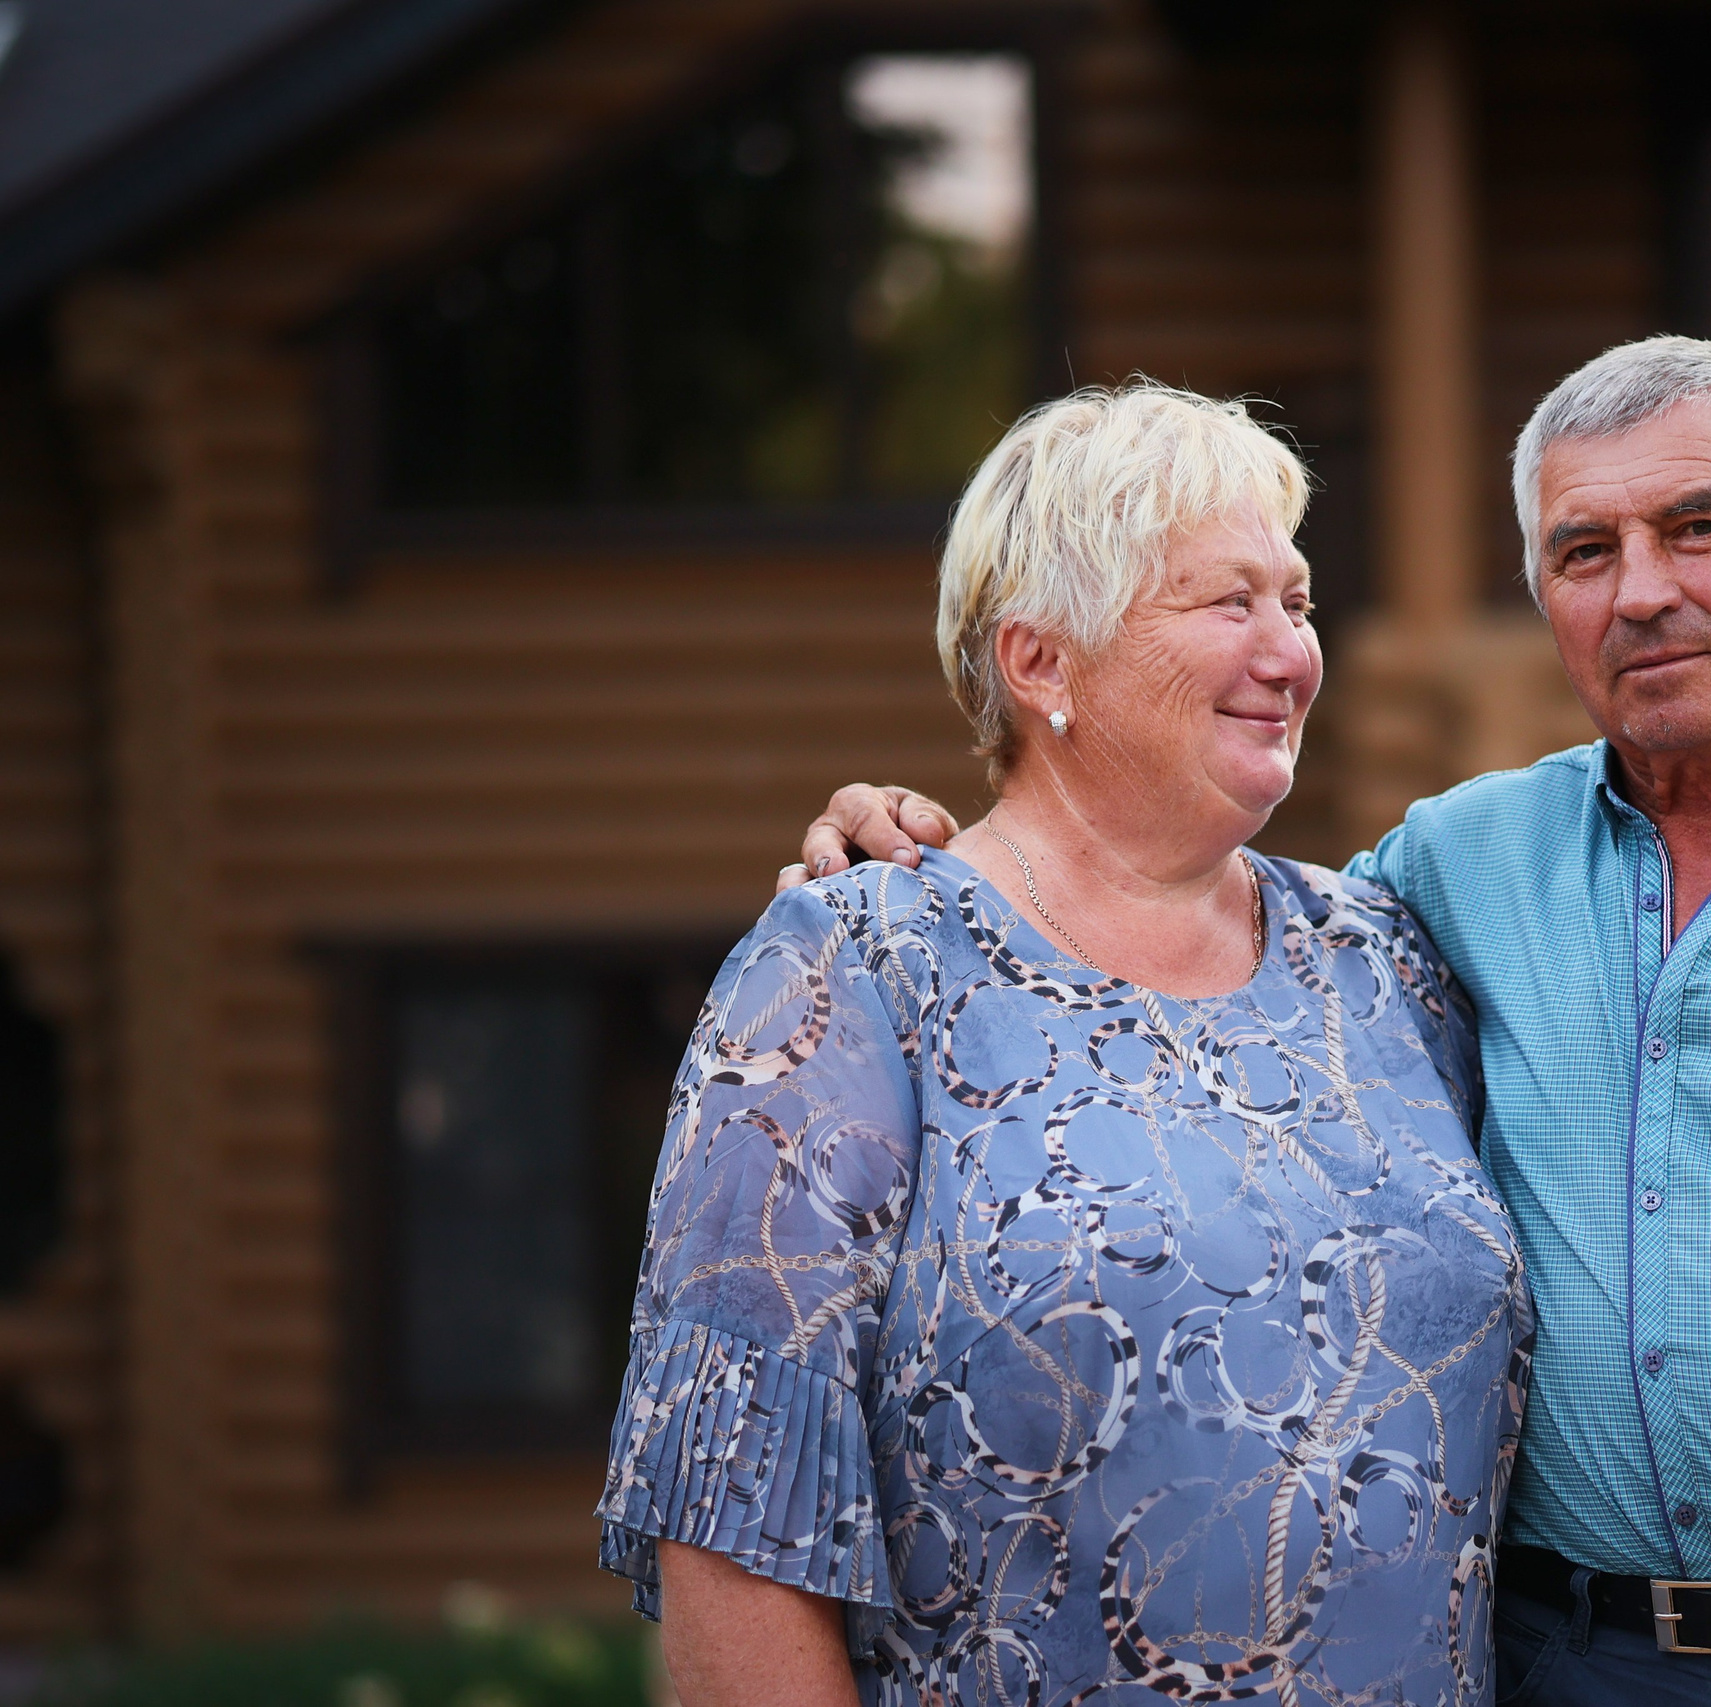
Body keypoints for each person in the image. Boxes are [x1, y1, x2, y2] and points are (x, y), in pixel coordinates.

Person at [792, 336, 1711, 1707]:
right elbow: (1172, 930)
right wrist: (933, 852)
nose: (1642, 593)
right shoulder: (1443, 875)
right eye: (1585, 553)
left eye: (1699, 529)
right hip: (1571, 1663)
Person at [600, 382, 1533, 1707]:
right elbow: (733, 1526)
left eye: (1299, 602)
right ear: (1039, 662)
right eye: (1228, 603)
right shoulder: (856, 970)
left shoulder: (1387, 959)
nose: (1290, 656)